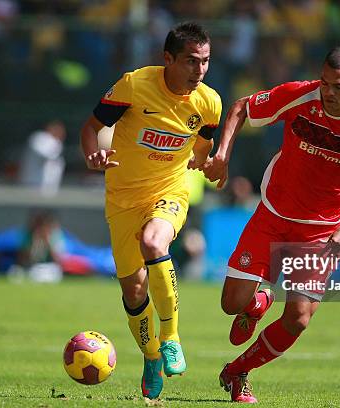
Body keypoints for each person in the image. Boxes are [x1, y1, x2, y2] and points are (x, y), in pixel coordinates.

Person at [202, 46, 340, 403]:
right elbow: (242, 107)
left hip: (322, 231)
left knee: (298, 318)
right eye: (325, 83)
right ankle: (257, 301)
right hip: (274, 215)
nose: (328, 92)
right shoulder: (300, 96)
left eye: (339, 86)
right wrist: (222, 155)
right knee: (231, 304)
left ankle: (237, 372)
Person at [79, 22, 221, 400]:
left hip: (169, 191)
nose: (200, 70)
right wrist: (93, 154)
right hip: (122, 198)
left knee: (154, 241)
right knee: (134, 289)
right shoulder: (134, 85)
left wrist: (208, 163)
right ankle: (151, 355)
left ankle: (171, 337)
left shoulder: (209, 102)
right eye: (192, 61)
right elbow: (91, 127)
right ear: (168, 59)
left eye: (205, 62)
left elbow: (205, 144)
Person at [19, 120, 66, 196]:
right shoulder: (39, 138)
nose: (62, 133)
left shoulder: (55, 142)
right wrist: (57, 144)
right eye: (58, 130)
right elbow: (47, 154)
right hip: (34, 184)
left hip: (49, 187)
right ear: (50, 128)